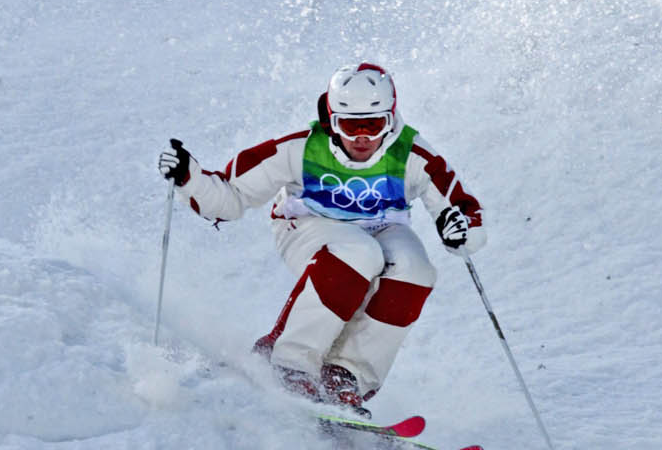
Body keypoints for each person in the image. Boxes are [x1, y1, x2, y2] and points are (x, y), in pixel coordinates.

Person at [158, 62, 486, 415]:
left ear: (391, 119)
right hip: (308, 225)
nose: (362, 137)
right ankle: (289, 363)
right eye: (350, 125)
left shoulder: (413, 154)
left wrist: (461, 231)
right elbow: (231, 196)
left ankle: (345, 377)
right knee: (358, 252)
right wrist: (189, 178)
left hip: (382, 226)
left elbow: (462, 210)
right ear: (332, 120)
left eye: (374, 125)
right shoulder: (299, 149)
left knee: (415, 270)